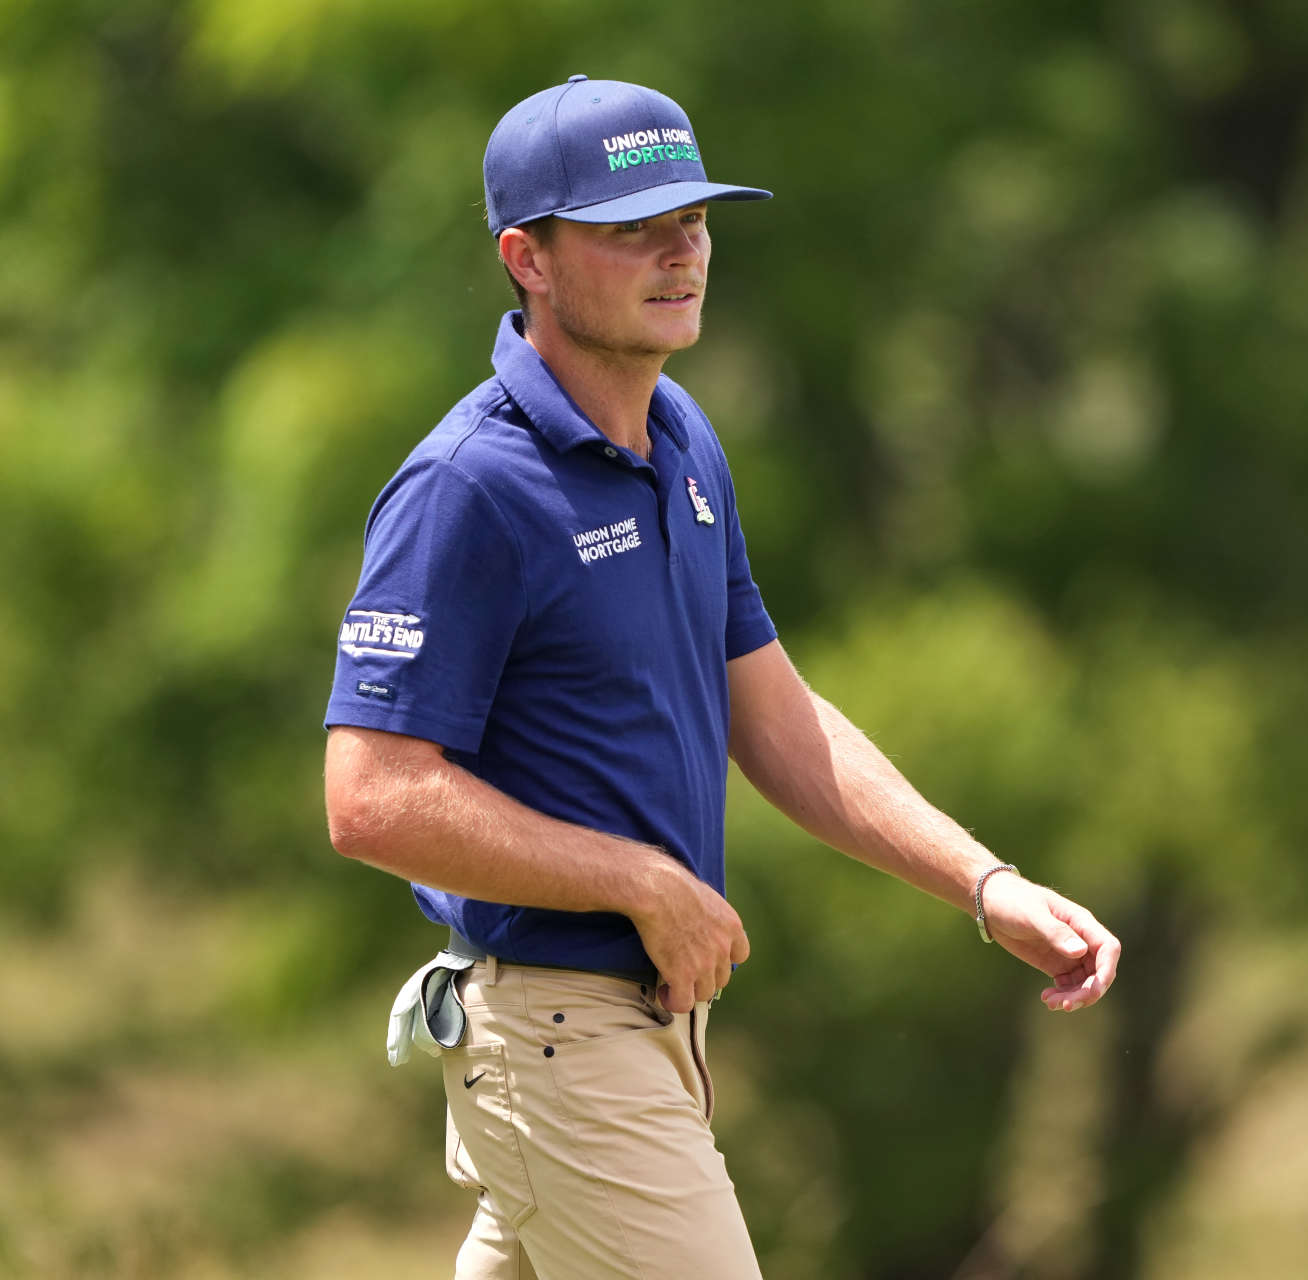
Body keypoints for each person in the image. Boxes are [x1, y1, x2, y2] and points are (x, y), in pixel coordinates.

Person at [321, 76, 1121, 1279]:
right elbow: (371, 796)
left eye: (691, 217)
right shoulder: (468, 488)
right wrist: (640, 878)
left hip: (646, 1033)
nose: (678, 248)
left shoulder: (683, 436)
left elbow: (779, 717)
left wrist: (983, 883)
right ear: (525, 258)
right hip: (555, 1034)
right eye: (627, 227)